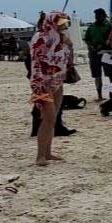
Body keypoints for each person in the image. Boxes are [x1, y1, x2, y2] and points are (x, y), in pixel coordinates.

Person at [29, 11, 73, 166]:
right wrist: (40, 82)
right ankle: (40, 156)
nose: (63, 25)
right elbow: (36, 61)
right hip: (42, 82)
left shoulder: (61, 38)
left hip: (57, 80)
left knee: (53, 118)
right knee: (48, 118)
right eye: (60, 22)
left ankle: (47, 152)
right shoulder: (41, 37)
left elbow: (66, 58)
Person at [84, 8, 112, 100]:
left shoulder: (109, 26)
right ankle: (99, 95)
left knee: (110, 74)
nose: (98, 18)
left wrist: (108, 45)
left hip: (106, 52)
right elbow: (87, 39)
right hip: (94, 53)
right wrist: (91, 47)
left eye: (100, 16)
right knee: (97, 75)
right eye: (97, 16)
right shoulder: (92, 27)